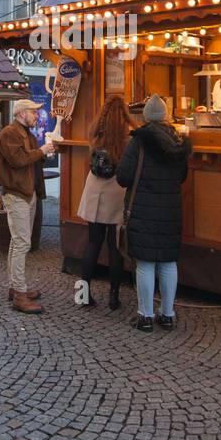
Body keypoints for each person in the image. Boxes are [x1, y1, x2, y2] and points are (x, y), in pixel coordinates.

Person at [116, 95, 190, 332]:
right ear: (166, 116)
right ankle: (167, 314)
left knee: (145, 264)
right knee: (168, 263)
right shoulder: (178, 141)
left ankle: (145, 316)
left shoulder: (138, 141)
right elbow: (182, 176)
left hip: (142, 210)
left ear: (146, 117)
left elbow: (123, 177)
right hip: (170, 210)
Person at [0, 98, 55, 314]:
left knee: (17, 242)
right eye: (33, 112)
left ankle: (15, 287)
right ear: (21, 113)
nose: (37, 115)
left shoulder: (24, 133)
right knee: (21, 243)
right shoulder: (9, 134)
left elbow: (29, 160)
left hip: (25, 192)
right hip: (17, 193)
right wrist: (42, 151)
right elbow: (18, 160)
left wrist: (44, 153)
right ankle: (19, 293)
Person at [76, 95, 133, 311]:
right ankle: (114, 297)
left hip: (94, 189)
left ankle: (83, 294)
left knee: (93, 242)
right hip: (116, 191)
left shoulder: (95, 131)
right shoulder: (127, 136)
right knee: (114, 246)